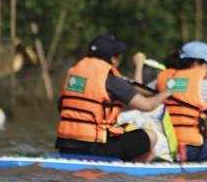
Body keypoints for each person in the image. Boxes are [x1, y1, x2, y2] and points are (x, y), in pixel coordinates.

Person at [55, 33, 169, 161]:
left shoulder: (73, 74)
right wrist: (166, 92)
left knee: (124, 129)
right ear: (114, 58)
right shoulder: (111, 79)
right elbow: (147, 106)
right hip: (94, 148)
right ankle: (130, 173)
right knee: (151, 136)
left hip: (65, 145)